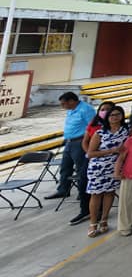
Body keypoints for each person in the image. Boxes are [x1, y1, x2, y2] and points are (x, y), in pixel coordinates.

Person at [46, 92, 96, 225]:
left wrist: (87, 144)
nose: (62, 106)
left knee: (81, 169)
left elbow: (93, 128)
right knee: (65, 167)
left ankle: (83, 192)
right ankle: (63, 189)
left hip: (80, 143)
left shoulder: (86, 110)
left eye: (64, 103)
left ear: (72, 101)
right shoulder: (71, 110)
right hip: (69, 141)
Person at [85, 105, 128, 236]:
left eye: (117, 114)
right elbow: (90, 153)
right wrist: (111, 151)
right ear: (107, 118)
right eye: (111, 115)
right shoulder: (100, 133)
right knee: (96, 194)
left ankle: (104, 219)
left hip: (115, 167)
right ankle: (93, 223)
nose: (114, 117)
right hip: (98, 168)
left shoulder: (126, 131)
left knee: (110, 193)